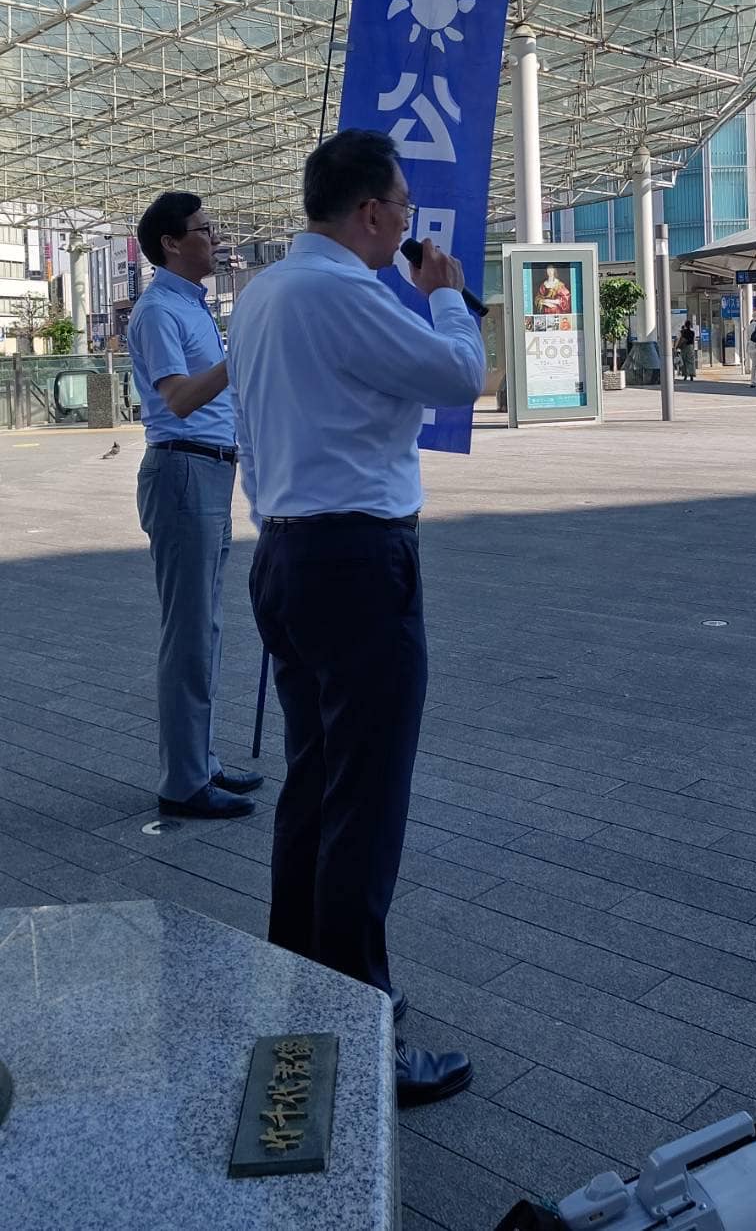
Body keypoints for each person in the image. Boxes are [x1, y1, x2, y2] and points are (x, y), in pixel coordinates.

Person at [227, 129, 486, 1108]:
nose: (408, 226)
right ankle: (360, 1028)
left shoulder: (261, 294)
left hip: (288, 552)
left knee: (318, 785)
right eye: (403, 207)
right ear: (371, 211)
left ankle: (300, 986)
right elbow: (458, 372)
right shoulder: (341, 291)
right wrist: (449, 291)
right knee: (364, 804)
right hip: (355, 561)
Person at [127, 193, 263, 819]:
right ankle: (183, 781)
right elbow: (179, 398)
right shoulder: (159, 311)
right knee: (187, 634)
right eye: (204, 230)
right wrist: (240, 360)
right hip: (183, 469)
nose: (215, 238)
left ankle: (199, 761)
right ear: (172, 243)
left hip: (206, 472)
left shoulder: (192, 307)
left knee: (203, 628)